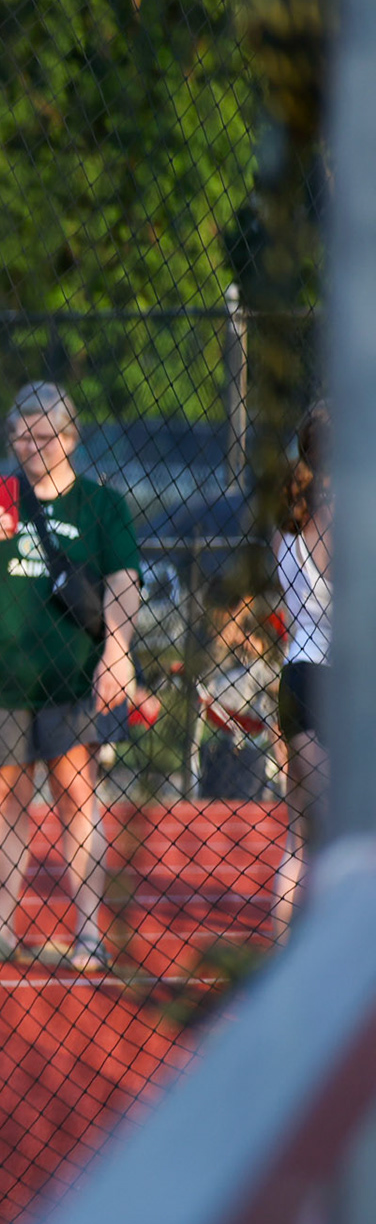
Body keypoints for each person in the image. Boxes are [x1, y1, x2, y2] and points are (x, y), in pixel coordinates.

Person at [0, 382, 140, 974]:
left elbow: (124, 583)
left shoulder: (101, 506)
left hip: (71, 675)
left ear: (71, 435)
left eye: (47, 434)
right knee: (5, 799)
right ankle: (0, 927)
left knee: (76, 793)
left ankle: (89, 934)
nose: (34, 446)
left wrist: (118, 650)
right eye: (23, 435)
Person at [271, 403, 329, 941]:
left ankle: (285, 954)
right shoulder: (340, 512)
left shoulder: (289, 509)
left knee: (300, 835)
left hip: (298, 675)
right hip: (340, 679)